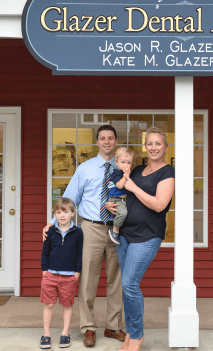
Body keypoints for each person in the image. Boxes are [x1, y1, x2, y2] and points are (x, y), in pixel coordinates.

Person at [42, 125, 126, 347]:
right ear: (97, 142)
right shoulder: (85, 169)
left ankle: (113, 326)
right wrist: (52, 224)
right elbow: (69, 199)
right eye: (102, 138)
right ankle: (88, 327)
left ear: (116, 141)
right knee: (87, 279)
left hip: (118, 229)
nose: (107, 142)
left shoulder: (125, 167)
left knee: (116, 279)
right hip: (91, 228)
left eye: (110, 138)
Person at [106, 127, 175, 351]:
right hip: (125, 234)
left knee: (129, 283)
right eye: (149, 144)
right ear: (146, 147)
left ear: (165, 146)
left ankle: (136, 336)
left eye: (158, 143)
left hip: (147, 236)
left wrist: (133, 187)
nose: (153, 147)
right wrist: (110, 204)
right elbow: (124, 194)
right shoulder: (137, 169)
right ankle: (131, 334)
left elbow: (159, 205)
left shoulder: (167, 173)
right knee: (127, 287)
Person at [40, 197, 83, 349]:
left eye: (65, 212)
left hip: (69, 275)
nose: (62, 215)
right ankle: (46, 334)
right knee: (49, 304)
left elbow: (79, 254)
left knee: (67, 304)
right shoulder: (50, 231)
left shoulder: (78, 232)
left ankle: (65, 333)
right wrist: (45, 271)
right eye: (58, 212)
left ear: (73, 213)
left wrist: (77, 272)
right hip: (50, 274)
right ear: (55, 215)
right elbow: (45, 253)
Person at [108, 147, 134, 245]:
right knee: (123, 213)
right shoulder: (116, 173)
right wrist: (126, 176)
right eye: (123, 162)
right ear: (116, 162)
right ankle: (114, 230)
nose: (126, 165)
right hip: (116, 199)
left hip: (125, 199)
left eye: (129, 163)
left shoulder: (128, 173)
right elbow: (119, 185)